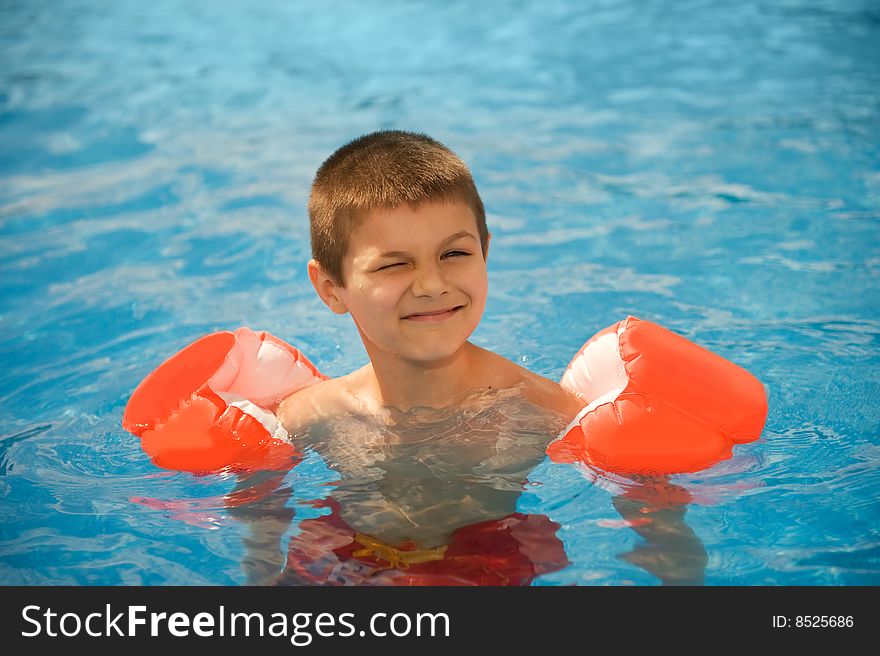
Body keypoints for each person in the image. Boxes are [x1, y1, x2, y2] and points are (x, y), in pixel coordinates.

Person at [268, 130, 585, 583]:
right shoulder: (312, 416)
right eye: (394, 264)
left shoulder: (539, 410)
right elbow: (262, 517)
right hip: (347, 559)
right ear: (331, 289)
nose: (432, 285)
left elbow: (650, 510)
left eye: (454, 253)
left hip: (487, 564)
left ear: (485, 251)